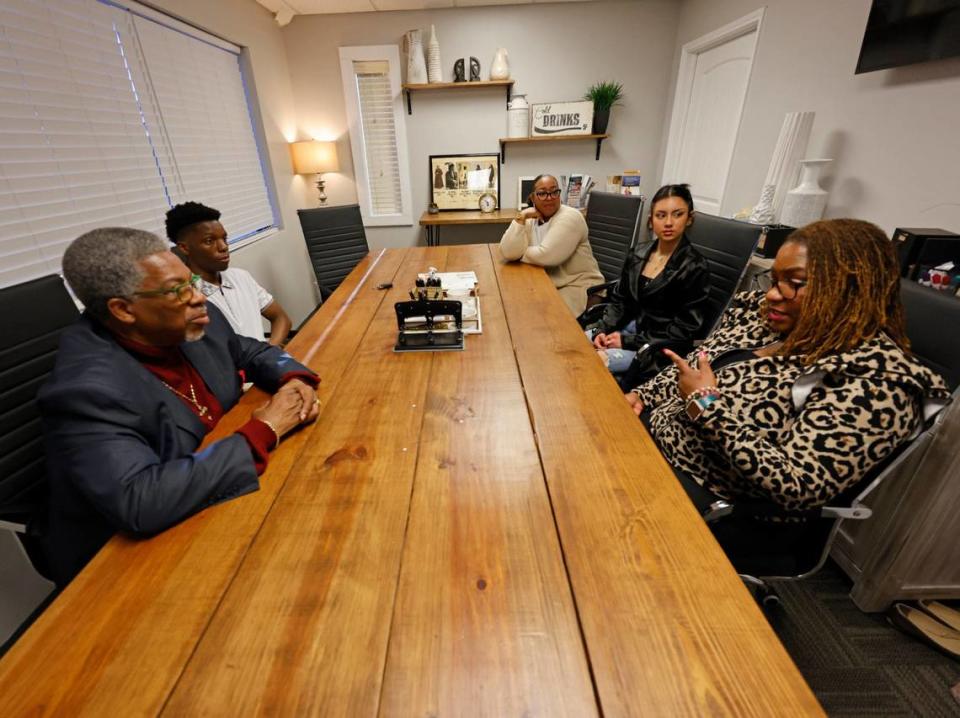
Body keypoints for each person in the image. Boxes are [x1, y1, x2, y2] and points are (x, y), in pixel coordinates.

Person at [39, 227, 321, 585]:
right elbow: (141, 500)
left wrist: (294, 380)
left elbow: (253, 351)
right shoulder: (85, 391)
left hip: (219, 490)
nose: (198, 297)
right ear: (124, 310)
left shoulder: (188, 318)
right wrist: (264, 429)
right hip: (130, 564)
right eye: (178, 290)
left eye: (191, 282)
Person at [626, 219, 949, 514]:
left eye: (793, 282)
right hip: (650, 444)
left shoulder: (878, 382)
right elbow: (696, 367)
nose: (773, 295)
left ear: (849, 288)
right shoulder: (770, 321)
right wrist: (642, 395)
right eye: (775, 280)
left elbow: (798, 485)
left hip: (703, 494)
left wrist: (705, 404)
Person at [582, 184, 711, 384]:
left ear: (689, 219)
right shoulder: (638, 253)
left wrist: (627, 341)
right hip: (621, 331)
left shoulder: (695, 267)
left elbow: (684, 331)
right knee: (572, 344)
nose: (668, 222)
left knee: (588, 363)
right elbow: (619, 301)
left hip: (653, 347)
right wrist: (601, 330)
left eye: (677, 214)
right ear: (651, 221)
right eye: (661, 215)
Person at [166, 202, 291, 345]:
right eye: (209, 241)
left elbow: (281, 318)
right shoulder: (187, 296)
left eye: (224, 239)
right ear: (184, 247)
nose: (223, 247)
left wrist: (269, 353)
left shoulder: (241, 277)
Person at [499, 174, 604, 316]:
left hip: (579, 287)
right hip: (548, 283)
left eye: (554, 192)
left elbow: (547, 256)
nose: (549, 197)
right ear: (532, 198)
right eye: (542, 193)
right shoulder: (532, 219)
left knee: (538, 319)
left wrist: (520, 254)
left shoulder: (570, 216)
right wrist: (521, 216)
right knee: (513, 306)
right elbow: (507, 252)